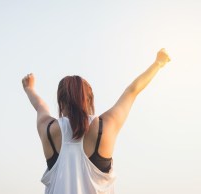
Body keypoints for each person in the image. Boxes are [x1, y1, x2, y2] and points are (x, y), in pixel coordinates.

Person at [22, 48, 171, 194]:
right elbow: (132, 91)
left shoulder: (48, 130)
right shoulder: (105, 126)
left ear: (60, 102)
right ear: (89, 100)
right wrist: (158, 63)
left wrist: (29, 88)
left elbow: (40, 106)